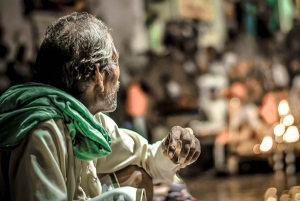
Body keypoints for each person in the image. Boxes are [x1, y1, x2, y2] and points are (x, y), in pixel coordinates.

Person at [0, 12, 200, 201]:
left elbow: (145, 157)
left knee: (138, 176)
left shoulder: (87, 121)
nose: (119, 74)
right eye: (115, 61)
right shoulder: (43, 130)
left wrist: (171, 149)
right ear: (99, 75)